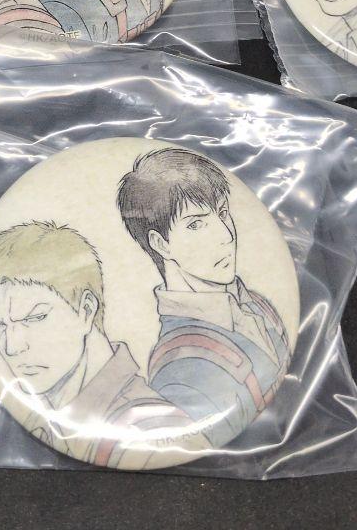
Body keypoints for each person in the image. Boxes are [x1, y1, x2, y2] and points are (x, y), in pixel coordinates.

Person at [0, 221, 200, 471]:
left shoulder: (153, 428)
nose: (12, 347)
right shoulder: (41, 416)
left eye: (35, 318)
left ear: (86, 310)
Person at [116, 148, 290, 447]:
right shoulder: (182, 368)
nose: (226, 235)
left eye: (222, 213)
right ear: (161, 244)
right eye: (195, 224)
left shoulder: (258, 304)